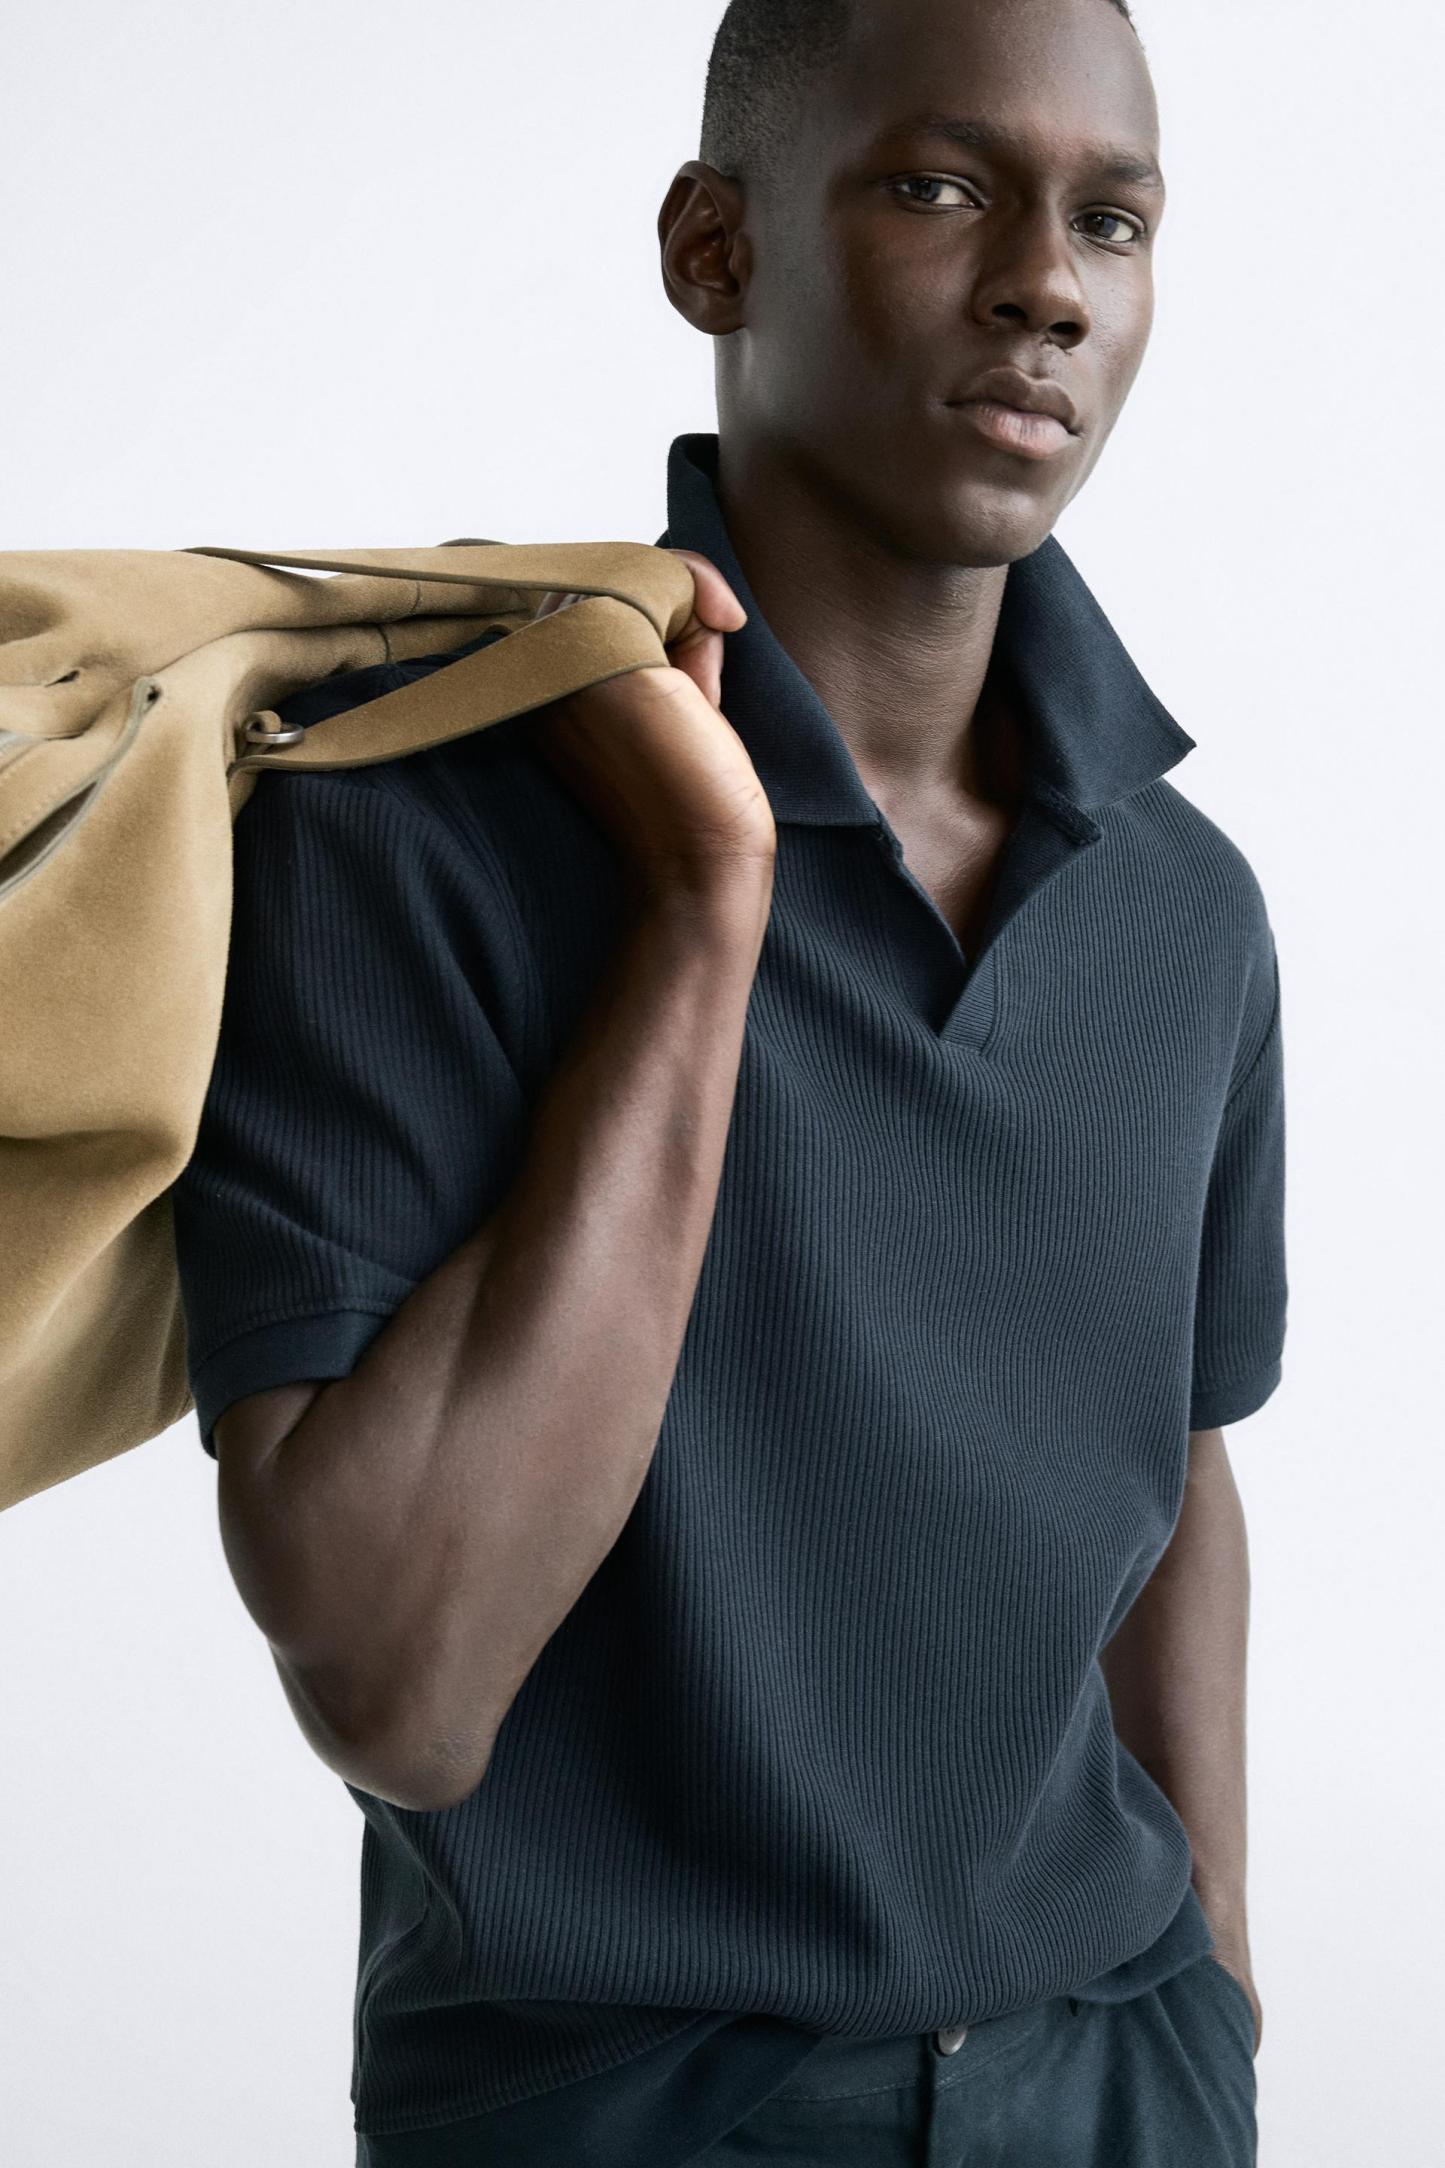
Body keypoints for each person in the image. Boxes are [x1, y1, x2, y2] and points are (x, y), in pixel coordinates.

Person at [172, 0, 1285, 2160]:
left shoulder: (1183, 908)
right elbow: (399, 1687)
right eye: (940, 186)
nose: (1046, 286)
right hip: (627, 2099)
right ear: (714, 247)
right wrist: (704, 906)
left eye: (1112, 221)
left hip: (1114, 2068)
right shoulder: (407, 833)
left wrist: (1217, 1988)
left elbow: (1178, 1458)